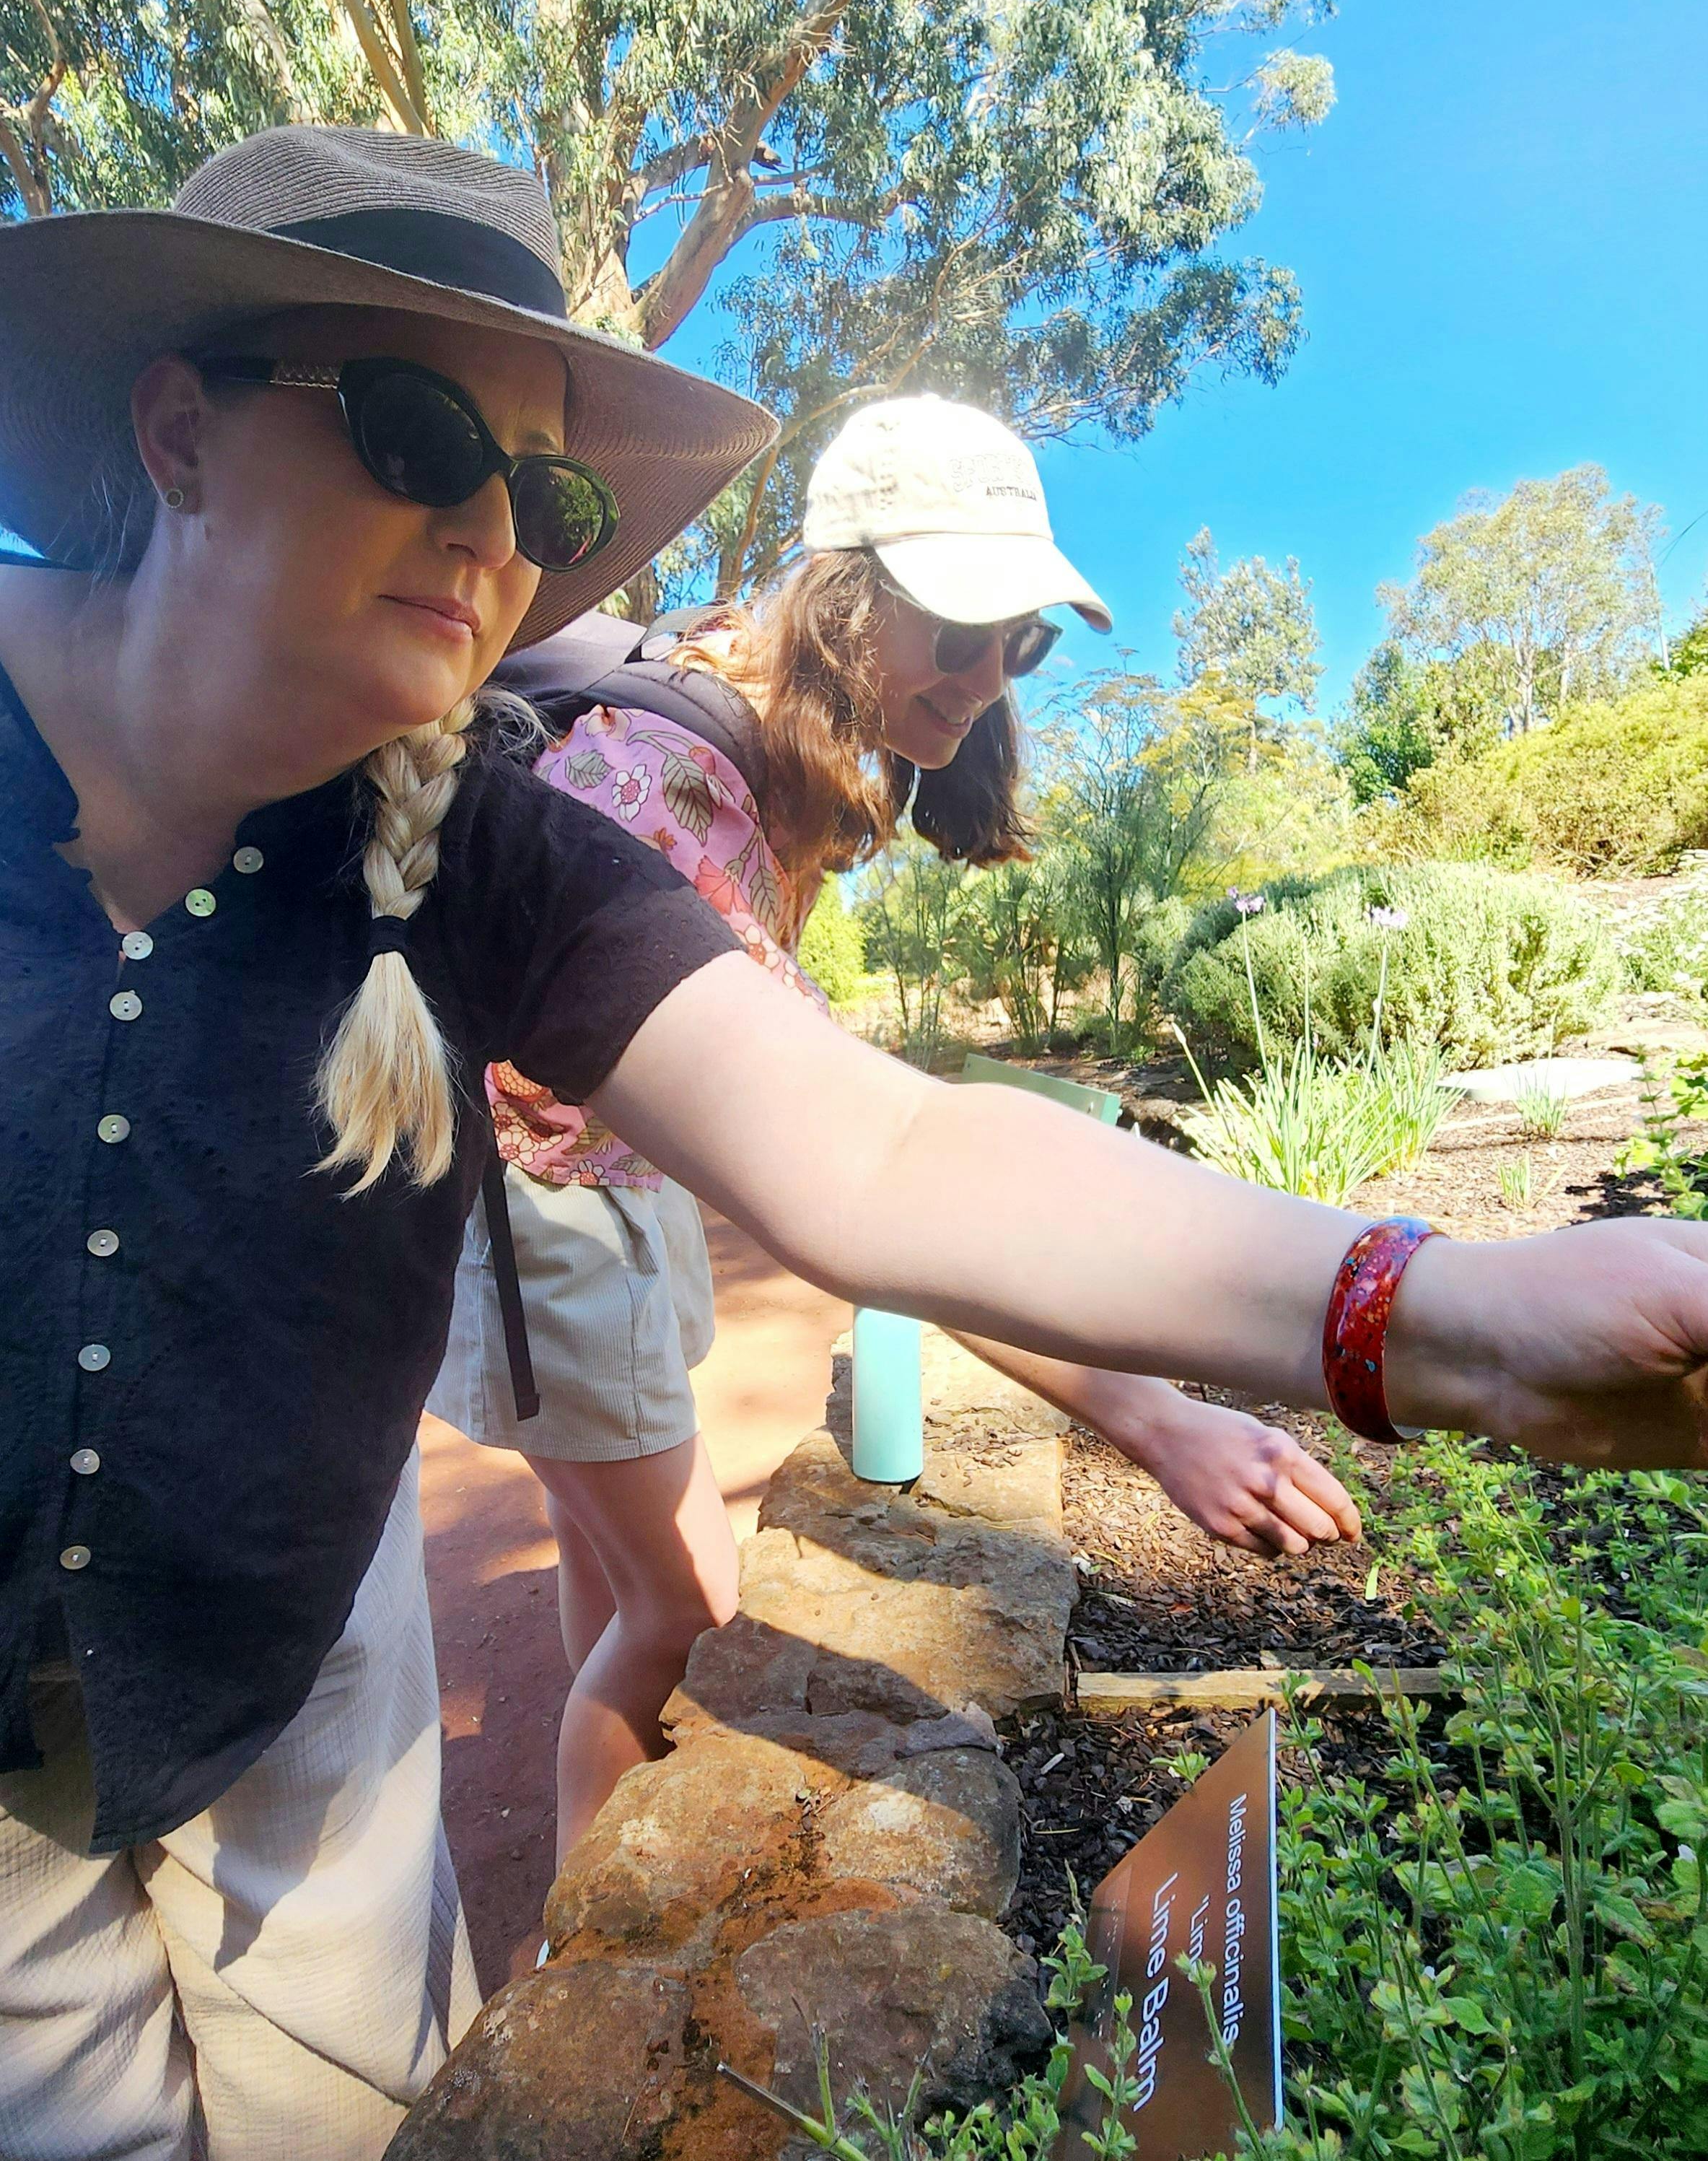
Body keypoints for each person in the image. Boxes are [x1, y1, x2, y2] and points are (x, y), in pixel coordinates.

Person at [2, 123, 1707, 2161]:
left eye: (538, 489)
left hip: (297, 1621)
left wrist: (1451, 1313)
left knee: (350, 2100)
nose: (488, 526)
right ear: (177, 429)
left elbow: (880, 1152)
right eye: (411, 421)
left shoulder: (482, 836)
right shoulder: (633, 764)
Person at [429, 393, 1367, 1863]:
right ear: (846, 594)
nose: (988, 679)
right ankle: (573, 1952)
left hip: (611, 1190)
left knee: (614, 1571)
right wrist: (1145, 1410)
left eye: (1023, 645)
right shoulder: (661, 783)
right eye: (961, 630)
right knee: (679, 1610)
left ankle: (586, 1754)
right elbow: (874, 1183)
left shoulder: (754, 716)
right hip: (549, 1210)